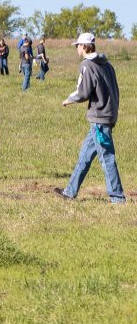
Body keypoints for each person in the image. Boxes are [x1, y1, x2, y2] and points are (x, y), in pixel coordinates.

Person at [55, 33, 126, 204]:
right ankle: (70, 192)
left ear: (85, 46)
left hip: (99, 119)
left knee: (106, 157)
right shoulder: (107, 65)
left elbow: (83, 92)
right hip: (106, 115)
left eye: (78, 45)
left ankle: (118, 198)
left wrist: (69, 100)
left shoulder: (87, 65)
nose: (76, 48)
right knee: (85, 156)